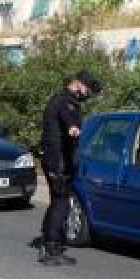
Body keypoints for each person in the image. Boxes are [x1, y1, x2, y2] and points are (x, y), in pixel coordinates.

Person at [33, 70, 102, 266]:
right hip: (58, 161)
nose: (88, 95)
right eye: (88, 91)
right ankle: (52, 249)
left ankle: (47, 240)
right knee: (62, 203)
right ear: (79, 84)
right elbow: (69, 120)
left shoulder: (59, 98)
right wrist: (73, 128)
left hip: (53, 159)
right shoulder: (67, 102)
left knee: (57, 201)